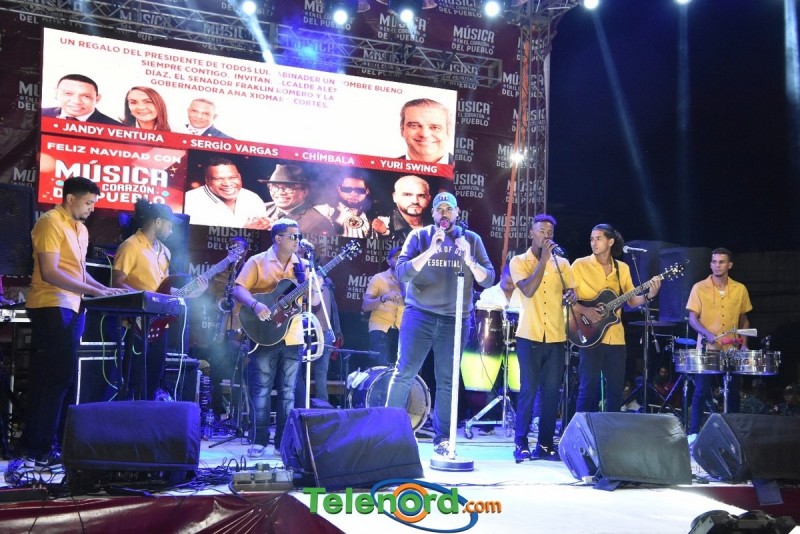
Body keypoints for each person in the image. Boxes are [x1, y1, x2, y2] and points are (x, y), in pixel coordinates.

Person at [22, 177, 124, 469]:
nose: (91, 208)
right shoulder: (49, 222)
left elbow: (79, 273)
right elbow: (51, 272)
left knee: (61, 378)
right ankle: (38, 450)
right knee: (58, 377)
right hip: (50, 304)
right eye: (88, 202)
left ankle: (48, 446)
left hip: (73, 305)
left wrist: (103, 289)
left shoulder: (80, 229)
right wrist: (93, 290)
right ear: (70, 198)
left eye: (93, 204)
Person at [386, 192, 495, 456]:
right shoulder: (419, 236)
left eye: (449, 209)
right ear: (433, 214)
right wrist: (431, 251)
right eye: (439, 209)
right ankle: (388, 433)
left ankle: (443, 439)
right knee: (404, 372)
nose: (444, 213)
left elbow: (488, 279)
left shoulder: (471, 240)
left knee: (447, 380)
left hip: (455, 319)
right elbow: (402, 273)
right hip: (419, 314)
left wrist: (469, 260)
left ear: (457, 213)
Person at [232, 218, 320, 457]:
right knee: (261, 389)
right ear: (278, 238)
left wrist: (314, 284)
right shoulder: (257, 261)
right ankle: (259, 439)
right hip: (264, 332)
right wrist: (256, 305)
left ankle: (283, 441)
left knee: (288, 392)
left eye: (299, 236)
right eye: (293, 236)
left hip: (293, 335)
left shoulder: (303, 266)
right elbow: (238, 288)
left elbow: (313, 302)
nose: (297, 241)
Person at [112, 199, 207, 400]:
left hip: (158, 324)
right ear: (157, 222)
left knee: (154, 378)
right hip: (136, 324)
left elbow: (164, 290)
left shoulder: (165, 251)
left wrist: (194, 292)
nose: (171, 231)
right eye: (169, 225)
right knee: (133, 379)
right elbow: (117, 282)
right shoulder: (130, 246)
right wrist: (146, 300)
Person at [571, 224, 661, 416]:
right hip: (589, 334)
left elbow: (631, 300)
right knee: (588, 387)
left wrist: (649, 295)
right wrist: (586, 311)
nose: (593, 243)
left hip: (616, 337)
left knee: (615, 389)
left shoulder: (622, 268)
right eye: (591, 239)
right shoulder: (580, 264)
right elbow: (567, 298)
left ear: (610, 241)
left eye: (598, 239)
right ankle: (579, 429)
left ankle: (610, 429)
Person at [509, 214, 575, 462]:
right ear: (531, 234)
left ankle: (546, 444)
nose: (546, 236)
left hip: (556, 335)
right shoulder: (519, 261)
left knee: (551, 392)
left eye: (550, 233)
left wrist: (572, 295)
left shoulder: (563, 263)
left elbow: (572, 291)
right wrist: (544, 260)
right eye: (541, 232)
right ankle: (521, 442)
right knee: (528, 390)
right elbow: (527, 289)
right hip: (529, 335)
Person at [686, 248, 751, 441]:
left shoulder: (740, 289)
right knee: (700, 392)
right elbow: (692, 318)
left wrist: (744, 344)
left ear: (730, 265)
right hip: (707, 350)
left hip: (731, 350)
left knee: (733, 393)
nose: (717, 265)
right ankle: (693, 434)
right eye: (714, 262)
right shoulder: (699, 287)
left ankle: (734, 436)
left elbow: (744, 320)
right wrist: (707, 333)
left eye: (721, 262)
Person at [183, 157, 270, 229]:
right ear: (207, 180)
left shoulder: (252, 198)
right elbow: (197, 239)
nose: (227, 184)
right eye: (218, 179)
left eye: (232, 177)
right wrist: (245, 232)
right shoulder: (190, 200)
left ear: (239, 177)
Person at [260, 164, 334, 236]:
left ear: (304, 192)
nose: (280, 192)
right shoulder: (260, 208)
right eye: (274, 187)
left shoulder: (320, 222)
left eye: (289, 188)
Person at [362, 246, 405, 368]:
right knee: (380, 366)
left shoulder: (409, 281)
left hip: (402, 328)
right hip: (380, 326)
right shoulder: (378, 278)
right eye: (397, 258)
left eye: (403, 258)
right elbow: (365, 306)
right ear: (388, 261)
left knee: (400, 367)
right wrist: (383, 297)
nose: (400, 261)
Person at [315, 172, 378, 238]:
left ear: (367, 191)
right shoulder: (323, 211)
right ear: (338, 188)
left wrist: (384, 232)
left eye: (359, 190)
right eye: (347, 189)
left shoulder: (375, 216)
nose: (353, 194)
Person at [371, 175, 433, 242]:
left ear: (429, 198)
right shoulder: (383, 224)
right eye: (407, 195)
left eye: (421, 196)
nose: (415, 201)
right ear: (395, 197)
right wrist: (386, 233)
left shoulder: (435, 223)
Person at [42, 74, 122, 125]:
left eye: (86, 96)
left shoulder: (115, 127)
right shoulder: (41, 114)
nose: (76, 101)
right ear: (56, 93)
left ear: (97, 99)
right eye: (68, 94)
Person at [398, 98, 454, 164]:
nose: (424, 134)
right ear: (402, 129)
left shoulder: (464, 168)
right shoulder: (386, 168)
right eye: (414, 126)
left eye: (435, 127)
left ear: (448, 131)